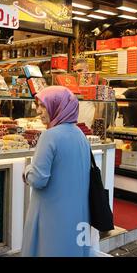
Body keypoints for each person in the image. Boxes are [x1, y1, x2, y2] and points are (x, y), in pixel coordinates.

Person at [21, 86, 92, 257]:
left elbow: (38, 179)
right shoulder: (80, 135)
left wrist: (27, 171)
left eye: (43, 106)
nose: (39, 111)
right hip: (77, 215)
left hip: (51, 216)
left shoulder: (50, 136)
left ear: (57, 106)